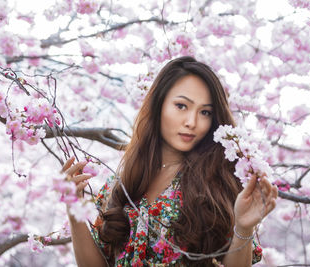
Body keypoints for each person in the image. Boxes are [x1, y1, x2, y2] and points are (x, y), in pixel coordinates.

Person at [62, 56, 278, 267]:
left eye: (205, 112)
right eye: (181, 106)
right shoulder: (120, 185)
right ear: (159, 105)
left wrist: (244, 228)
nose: (192, 122)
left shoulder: (219, 183)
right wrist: (74, 212)